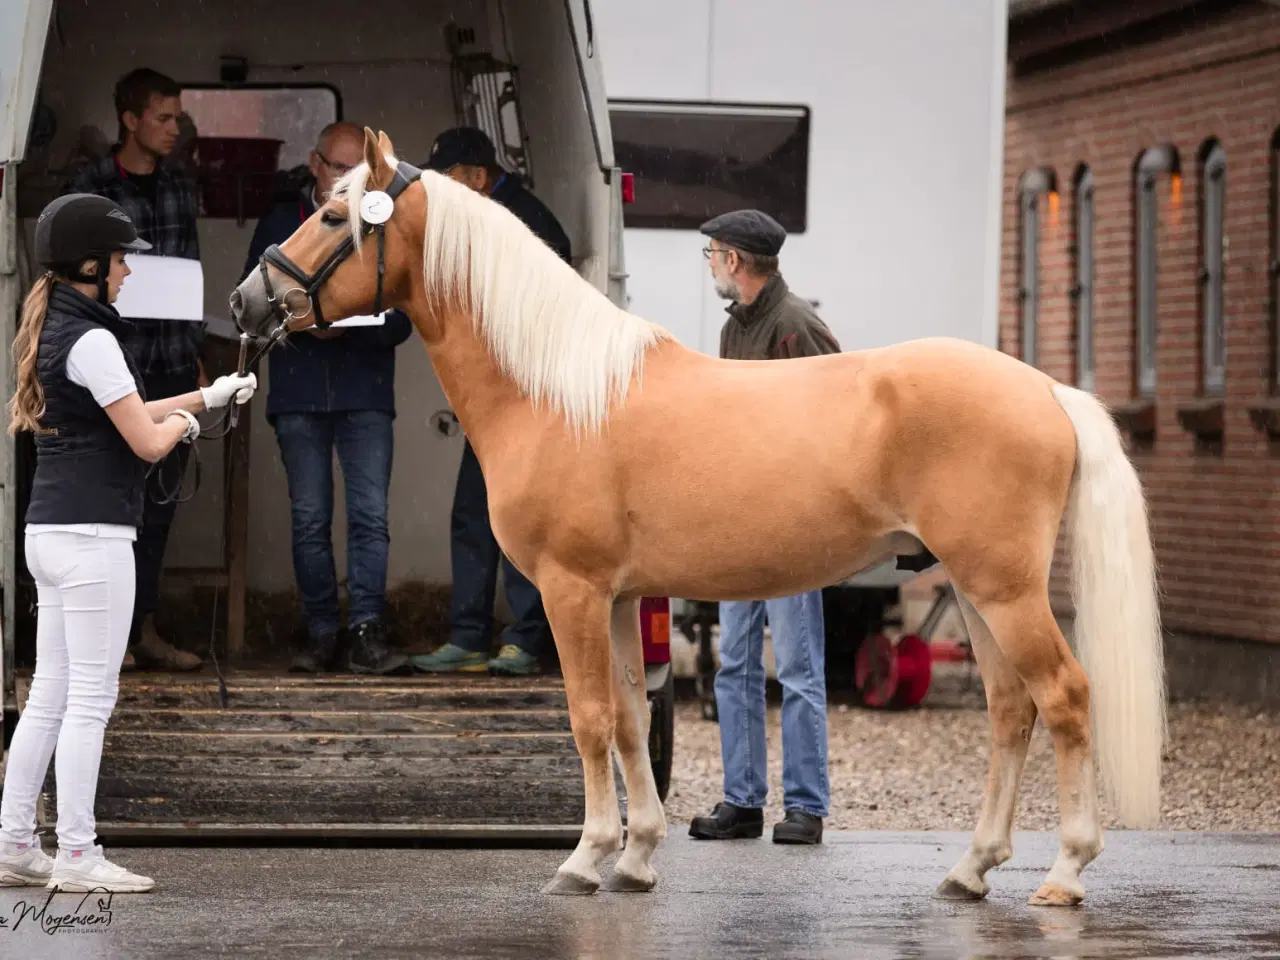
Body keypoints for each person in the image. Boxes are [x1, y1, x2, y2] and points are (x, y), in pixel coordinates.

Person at [0, 194, 255, 892]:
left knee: (50, 693)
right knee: (90, 697)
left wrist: (208, 397)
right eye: (119, 260)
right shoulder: (96, 339)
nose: (127, 272)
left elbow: (128, 411)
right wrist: (191, 429)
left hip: (48, 532)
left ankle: (15, 843)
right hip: (95, 537)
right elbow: (143, 440)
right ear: (90, 264)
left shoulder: (57, 326)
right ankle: (77, 853)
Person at [241, 121, 415, 676]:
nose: (347, 177)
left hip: (365, 394)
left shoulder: (381, 221)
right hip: (299, 396)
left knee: (369, 517)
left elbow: (403, 318)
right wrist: (304, 325)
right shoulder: (276, 224)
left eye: (356, 169)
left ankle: (366, 631)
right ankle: (320, 632)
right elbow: (255, 305)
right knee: (310, 519)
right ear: (315, 164)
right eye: (339, 167)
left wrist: (346, 326)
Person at [687, 209, 838, 846]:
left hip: (793, 523)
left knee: (799, 669)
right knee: (736, 664)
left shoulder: (796, 326)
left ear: (736, 262)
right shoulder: (735, 328)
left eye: (714, 254)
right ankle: (743, 801)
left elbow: (841, 417)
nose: (712, 265)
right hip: (740, 520)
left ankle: (805, 807)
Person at [408, 127, 572, 678]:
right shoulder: (479, 216)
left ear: (478, 177)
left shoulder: (527, 223)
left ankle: (523, 639)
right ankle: (471, 636)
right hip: (491, 408)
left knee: (517, 522)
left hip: (525, 406)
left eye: (449, 182)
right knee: (473, 517)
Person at [64, 67, 207, 673]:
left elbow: (192, 268)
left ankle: (142, 628)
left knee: (160, 508)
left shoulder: (179, 186)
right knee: (109, 510)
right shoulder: (89, 187)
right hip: (111, 364)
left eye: (177, 117)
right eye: (163, 117)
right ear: (130, 120)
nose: (175, 128)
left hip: (170, 362)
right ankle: (106, 642)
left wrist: (197, 351)